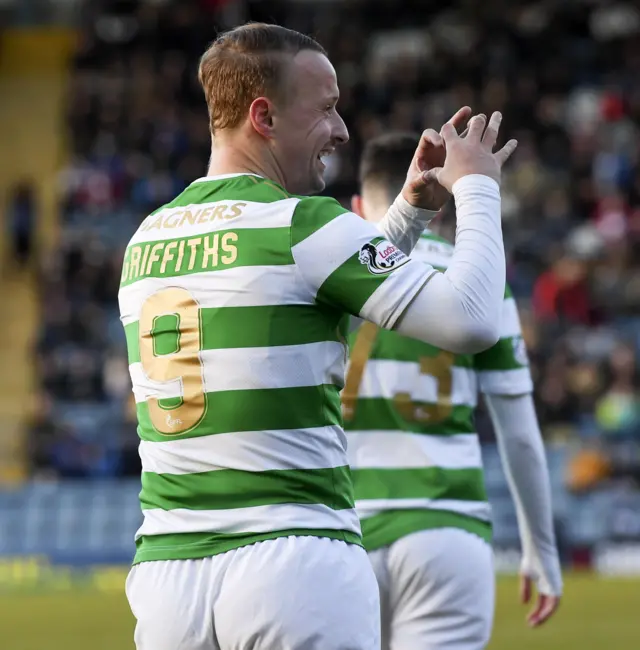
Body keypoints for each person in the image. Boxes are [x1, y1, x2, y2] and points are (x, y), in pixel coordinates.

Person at [120, 23, 516, 650]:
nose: (342, 130)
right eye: (327, 107)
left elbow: (300, 308)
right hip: (293, 561)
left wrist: (409, 214)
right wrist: (479, 187)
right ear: (264, 115)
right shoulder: (302, 224)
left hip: (170, 577)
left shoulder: (147, 240)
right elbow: (470, 320)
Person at [345, 132, 563, 650]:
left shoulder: (330, 276)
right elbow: (521, 436)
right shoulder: (485, 285)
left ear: (357, 206)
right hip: (447, 528)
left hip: (342, 534)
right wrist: (541, 547)